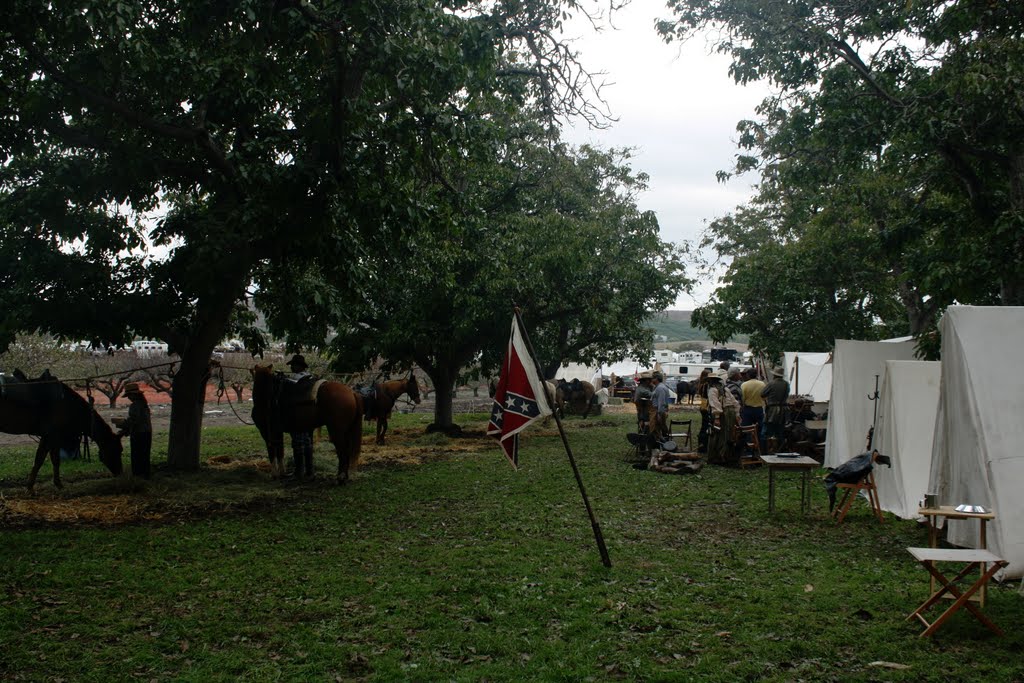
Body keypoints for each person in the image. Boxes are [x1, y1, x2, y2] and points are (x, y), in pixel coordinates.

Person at [285, 354, 315, 479]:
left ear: (299, 366)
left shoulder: (296, 379)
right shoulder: (309, 377)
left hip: (297, 415)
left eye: (293, 365)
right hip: (308, 416)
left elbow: (290, 386)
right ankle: (309, 471)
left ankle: (299, 472)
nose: (291, 367)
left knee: (298, 443)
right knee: (307, 442)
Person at [118, 382, 151, 479]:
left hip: (138, 434)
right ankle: (145, 476)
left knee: (137, 456)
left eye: (129, 395)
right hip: (147, 433)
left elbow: (134, 421)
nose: (128, 398)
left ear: (134, 395)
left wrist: (123, 425)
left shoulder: (135, 406)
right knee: (144, 456)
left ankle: (138, 477)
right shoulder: (144, 404)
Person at [707, 369, 739, 465]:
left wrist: (717, 417)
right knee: (728, 434)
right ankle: (726, 455)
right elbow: (735, 403)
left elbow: (715, 404)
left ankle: (719, 456)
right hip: (731, 412)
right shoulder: (725, 389)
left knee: (719, 434)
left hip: (723, 413)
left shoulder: (712, 390)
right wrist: (737, 414)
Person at [761, 367, 790, 452]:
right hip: (783, 411)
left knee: (766, 432)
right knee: (779, 432)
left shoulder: (771, 383)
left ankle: (764, 452)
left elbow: (762, 394)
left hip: (772, 411)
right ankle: (780, 451)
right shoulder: (786, 384)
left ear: (774, 375)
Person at [740, 368, 766, 438]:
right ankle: (760, 445)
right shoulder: (762, 384)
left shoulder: (744, 385)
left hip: (748, 410)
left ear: (748, 375)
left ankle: (748, 445)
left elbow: (742, 398)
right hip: (759, 409)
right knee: (760, 429)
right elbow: (764, 397)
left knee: (747, 429)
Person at [650, 371, 671, 440]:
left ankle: (663, 445)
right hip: (659, 411)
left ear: (656, 379)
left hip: (658, 411)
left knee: (657, 429)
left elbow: (661, 402)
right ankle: (663, 445)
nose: (651, 380)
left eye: (653, 378)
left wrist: (659, 414)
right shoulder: (659, 387)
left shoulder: (660, 388)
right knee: (659, 429)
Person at [696, 368, 712, 453]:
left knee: (704, 425)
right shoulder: (706, 385)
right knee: (705, 426)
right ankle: (703, 445)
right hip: (705, 406)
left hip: (702, 406)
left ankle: (702, 444)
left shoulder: (701, 384)